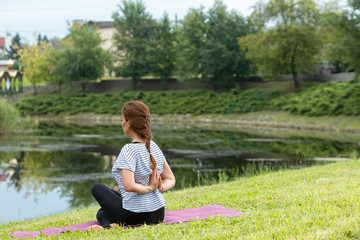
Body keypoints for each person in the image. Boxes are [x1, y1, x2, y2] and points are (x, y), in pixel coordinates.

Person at [88, 100, 176, 231]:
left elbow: (129, 186)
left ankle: (107, 227)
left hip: (136, 215)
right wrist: (160, 186)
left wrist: (150, 188)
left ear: (128, 122)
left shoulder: (129, 150)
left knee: (97, 188)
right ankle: (108, 226)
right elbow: (171, 179)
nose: (122, 123)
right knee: (103, 210)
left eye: (122, 119)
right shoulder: (153, 145)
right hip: (158, 214)